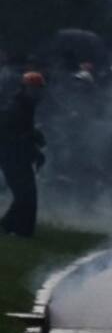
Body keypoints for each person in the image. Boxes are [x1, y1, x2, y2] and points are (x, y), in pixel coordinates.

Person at [0, 72, 47, 237]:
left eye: (39, 89)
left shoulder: (26, 106)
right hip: (12, 157)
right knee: (25, 196)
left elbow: (23, 133)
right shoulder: (16, 107)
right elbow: (8, 134)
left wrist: (34, 146)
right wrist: (31, 138)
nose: (38, 92)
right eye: (35, 89)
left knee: (26, 196)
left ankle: (16, 228)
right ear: (26, 88)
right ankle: (13, 228)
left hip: (19, 157)